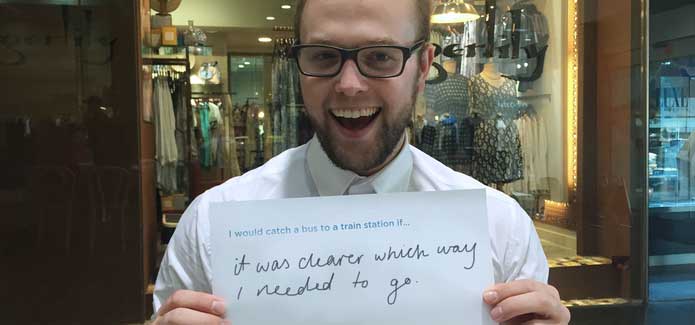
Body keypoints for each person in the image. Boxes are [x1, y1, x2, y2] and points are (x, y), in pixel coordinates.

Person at [152, 0, 571, 324]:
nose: (349, 85)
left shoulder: (500, 229)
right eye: (322, 56)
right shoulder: (211, 226)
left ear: (423, 67)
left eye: (381, 57)